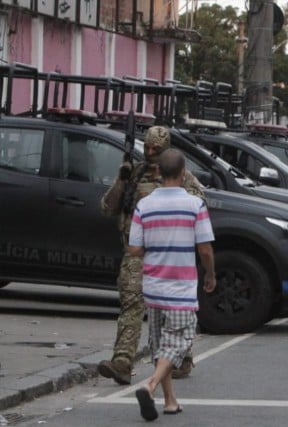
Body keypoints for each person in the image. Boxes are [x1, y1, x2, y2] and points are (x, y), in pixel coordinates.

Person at [98, 126, 205, 385]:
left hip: (167, 253)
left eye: (156, 149)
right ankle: (122, 361)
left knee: (172, 309)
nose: (149, 153)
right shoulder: (133, 174)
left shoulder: (182, 176)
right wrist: (122, 180)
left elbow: (200, 203)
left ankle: (181, 357)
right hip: (135, 253)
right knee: (131, 305)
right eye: (146, 148)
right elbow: (107, 208)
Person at [128, 148, 216, 421]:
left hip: (153, 285)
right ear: (183, 172)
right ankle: (150, 384)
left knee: (160, 343)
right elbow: (204, 249)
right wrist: (211, 274)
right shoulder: (194, 205)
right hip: (180, 287)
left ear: (158, 172)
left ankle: (169, 401)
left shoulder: (144, 205)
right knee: (179, 339)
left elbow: (133, 249)